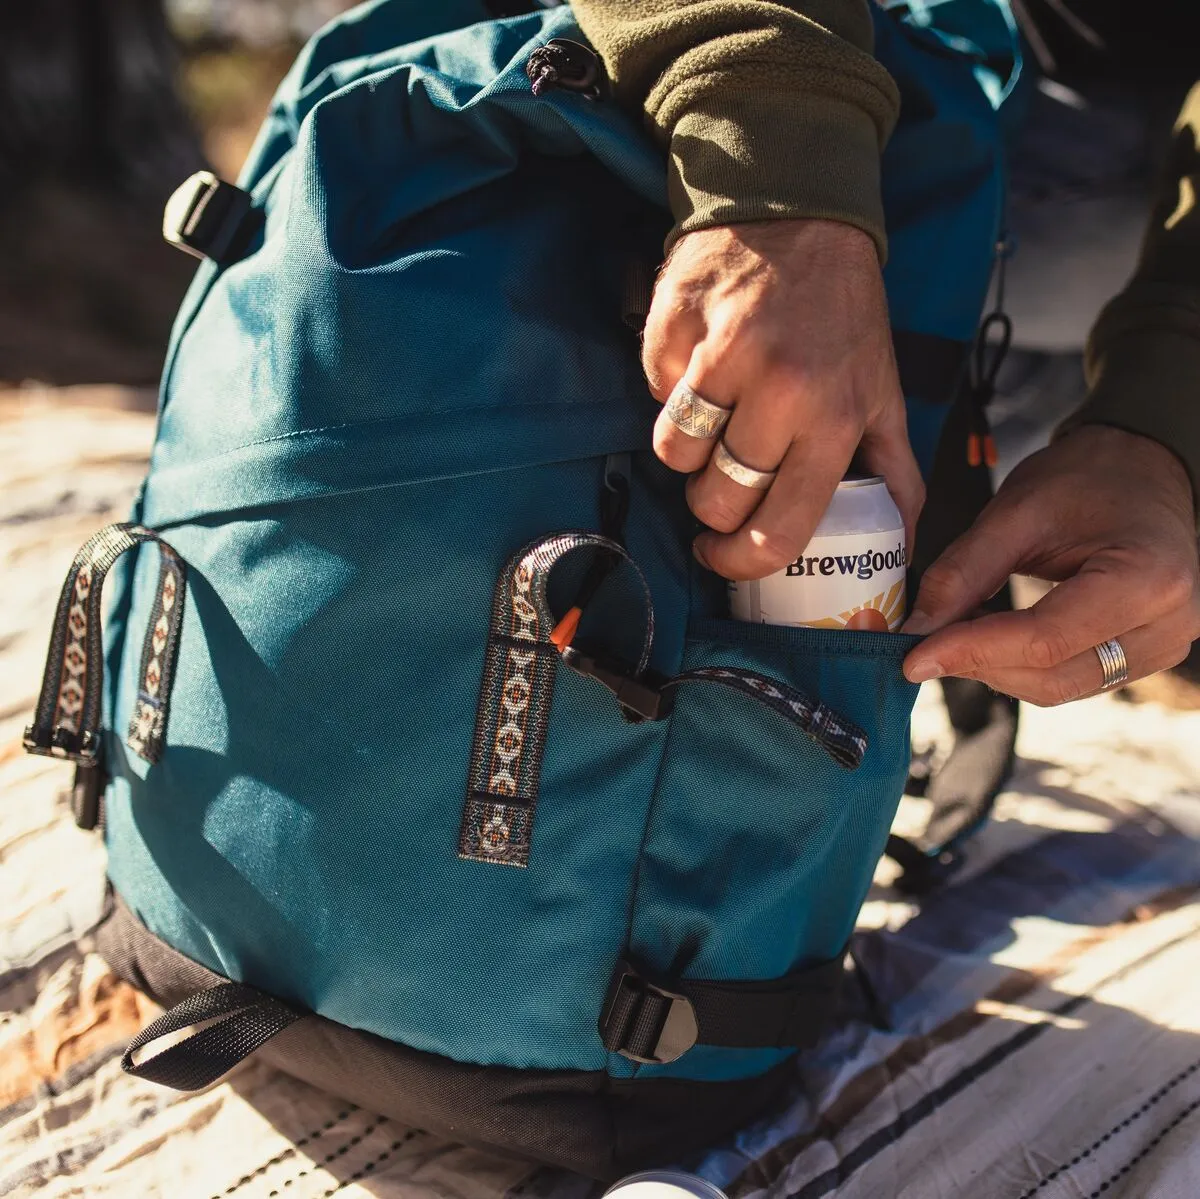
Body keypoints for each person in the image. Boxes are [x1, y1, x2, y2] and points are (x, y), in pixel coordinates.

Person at [569, 0, 1200, 705]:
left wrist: (1159, 422)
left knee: (947, 423)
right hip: (950, 78)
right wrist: (779, 179)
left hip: (1125, 161)